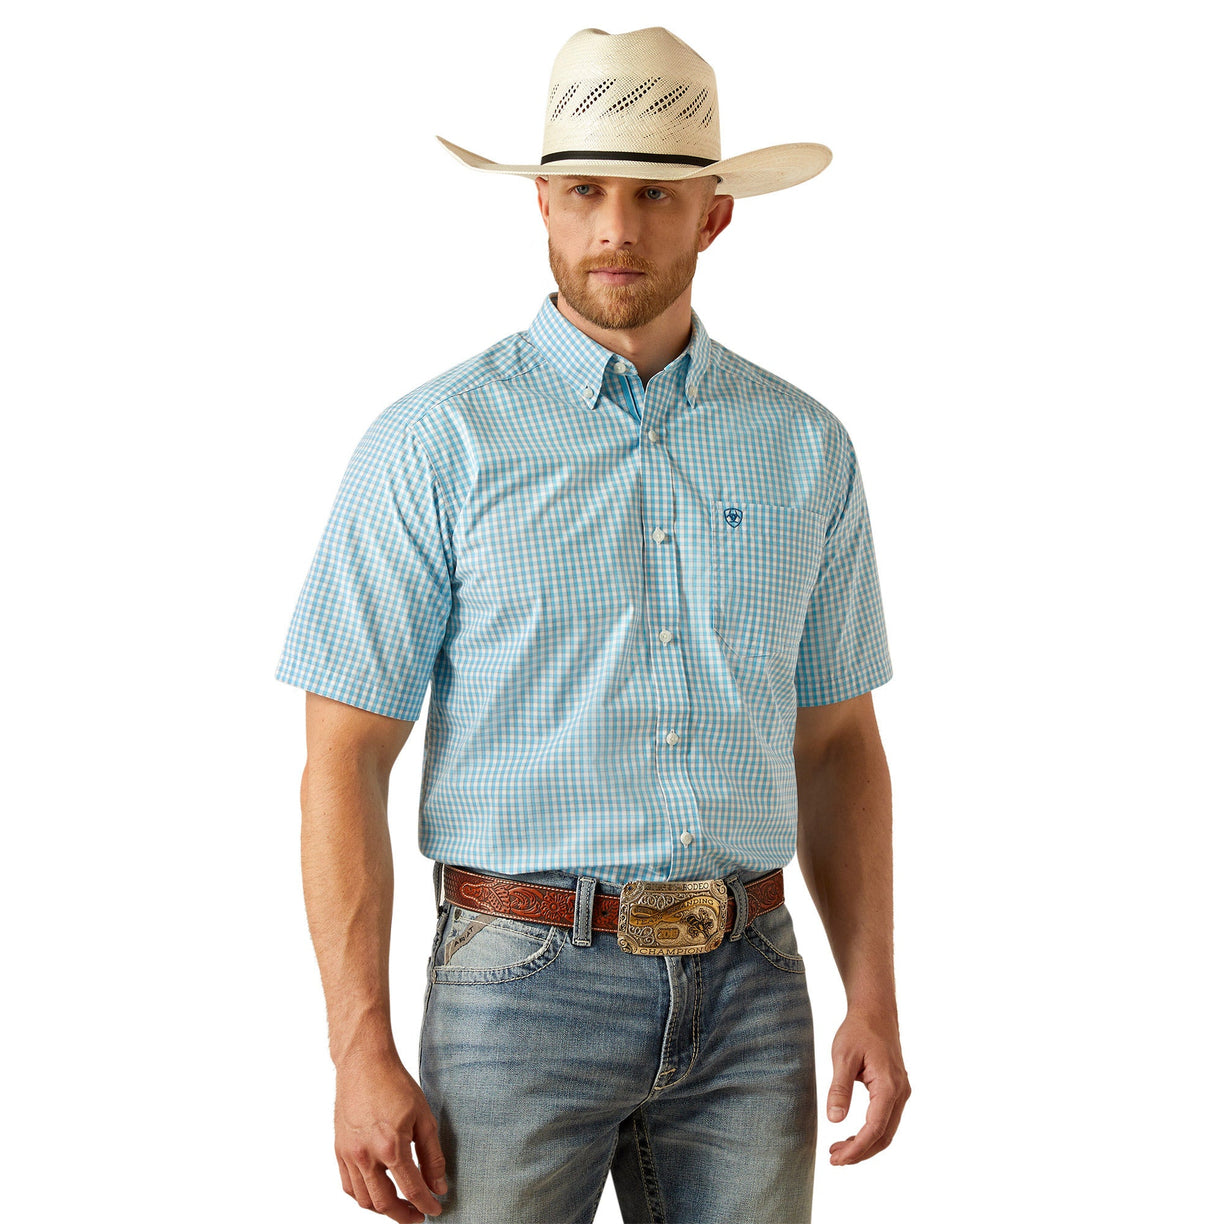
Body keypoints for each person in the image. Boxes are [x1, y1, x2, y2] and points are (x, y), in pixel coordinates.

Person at [275, 25, 910, 1224]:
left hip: (753, 993)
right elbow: (343, 755)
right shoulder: (435, 446)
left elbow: (837, 745)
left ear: (714, 217)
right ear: (543, 207)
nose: (617, 228)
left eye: (655, 196)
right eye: (584, 192)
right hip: (519, 992)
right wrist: (358, 1048)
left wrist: (870, 992)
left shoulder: (805, 447)